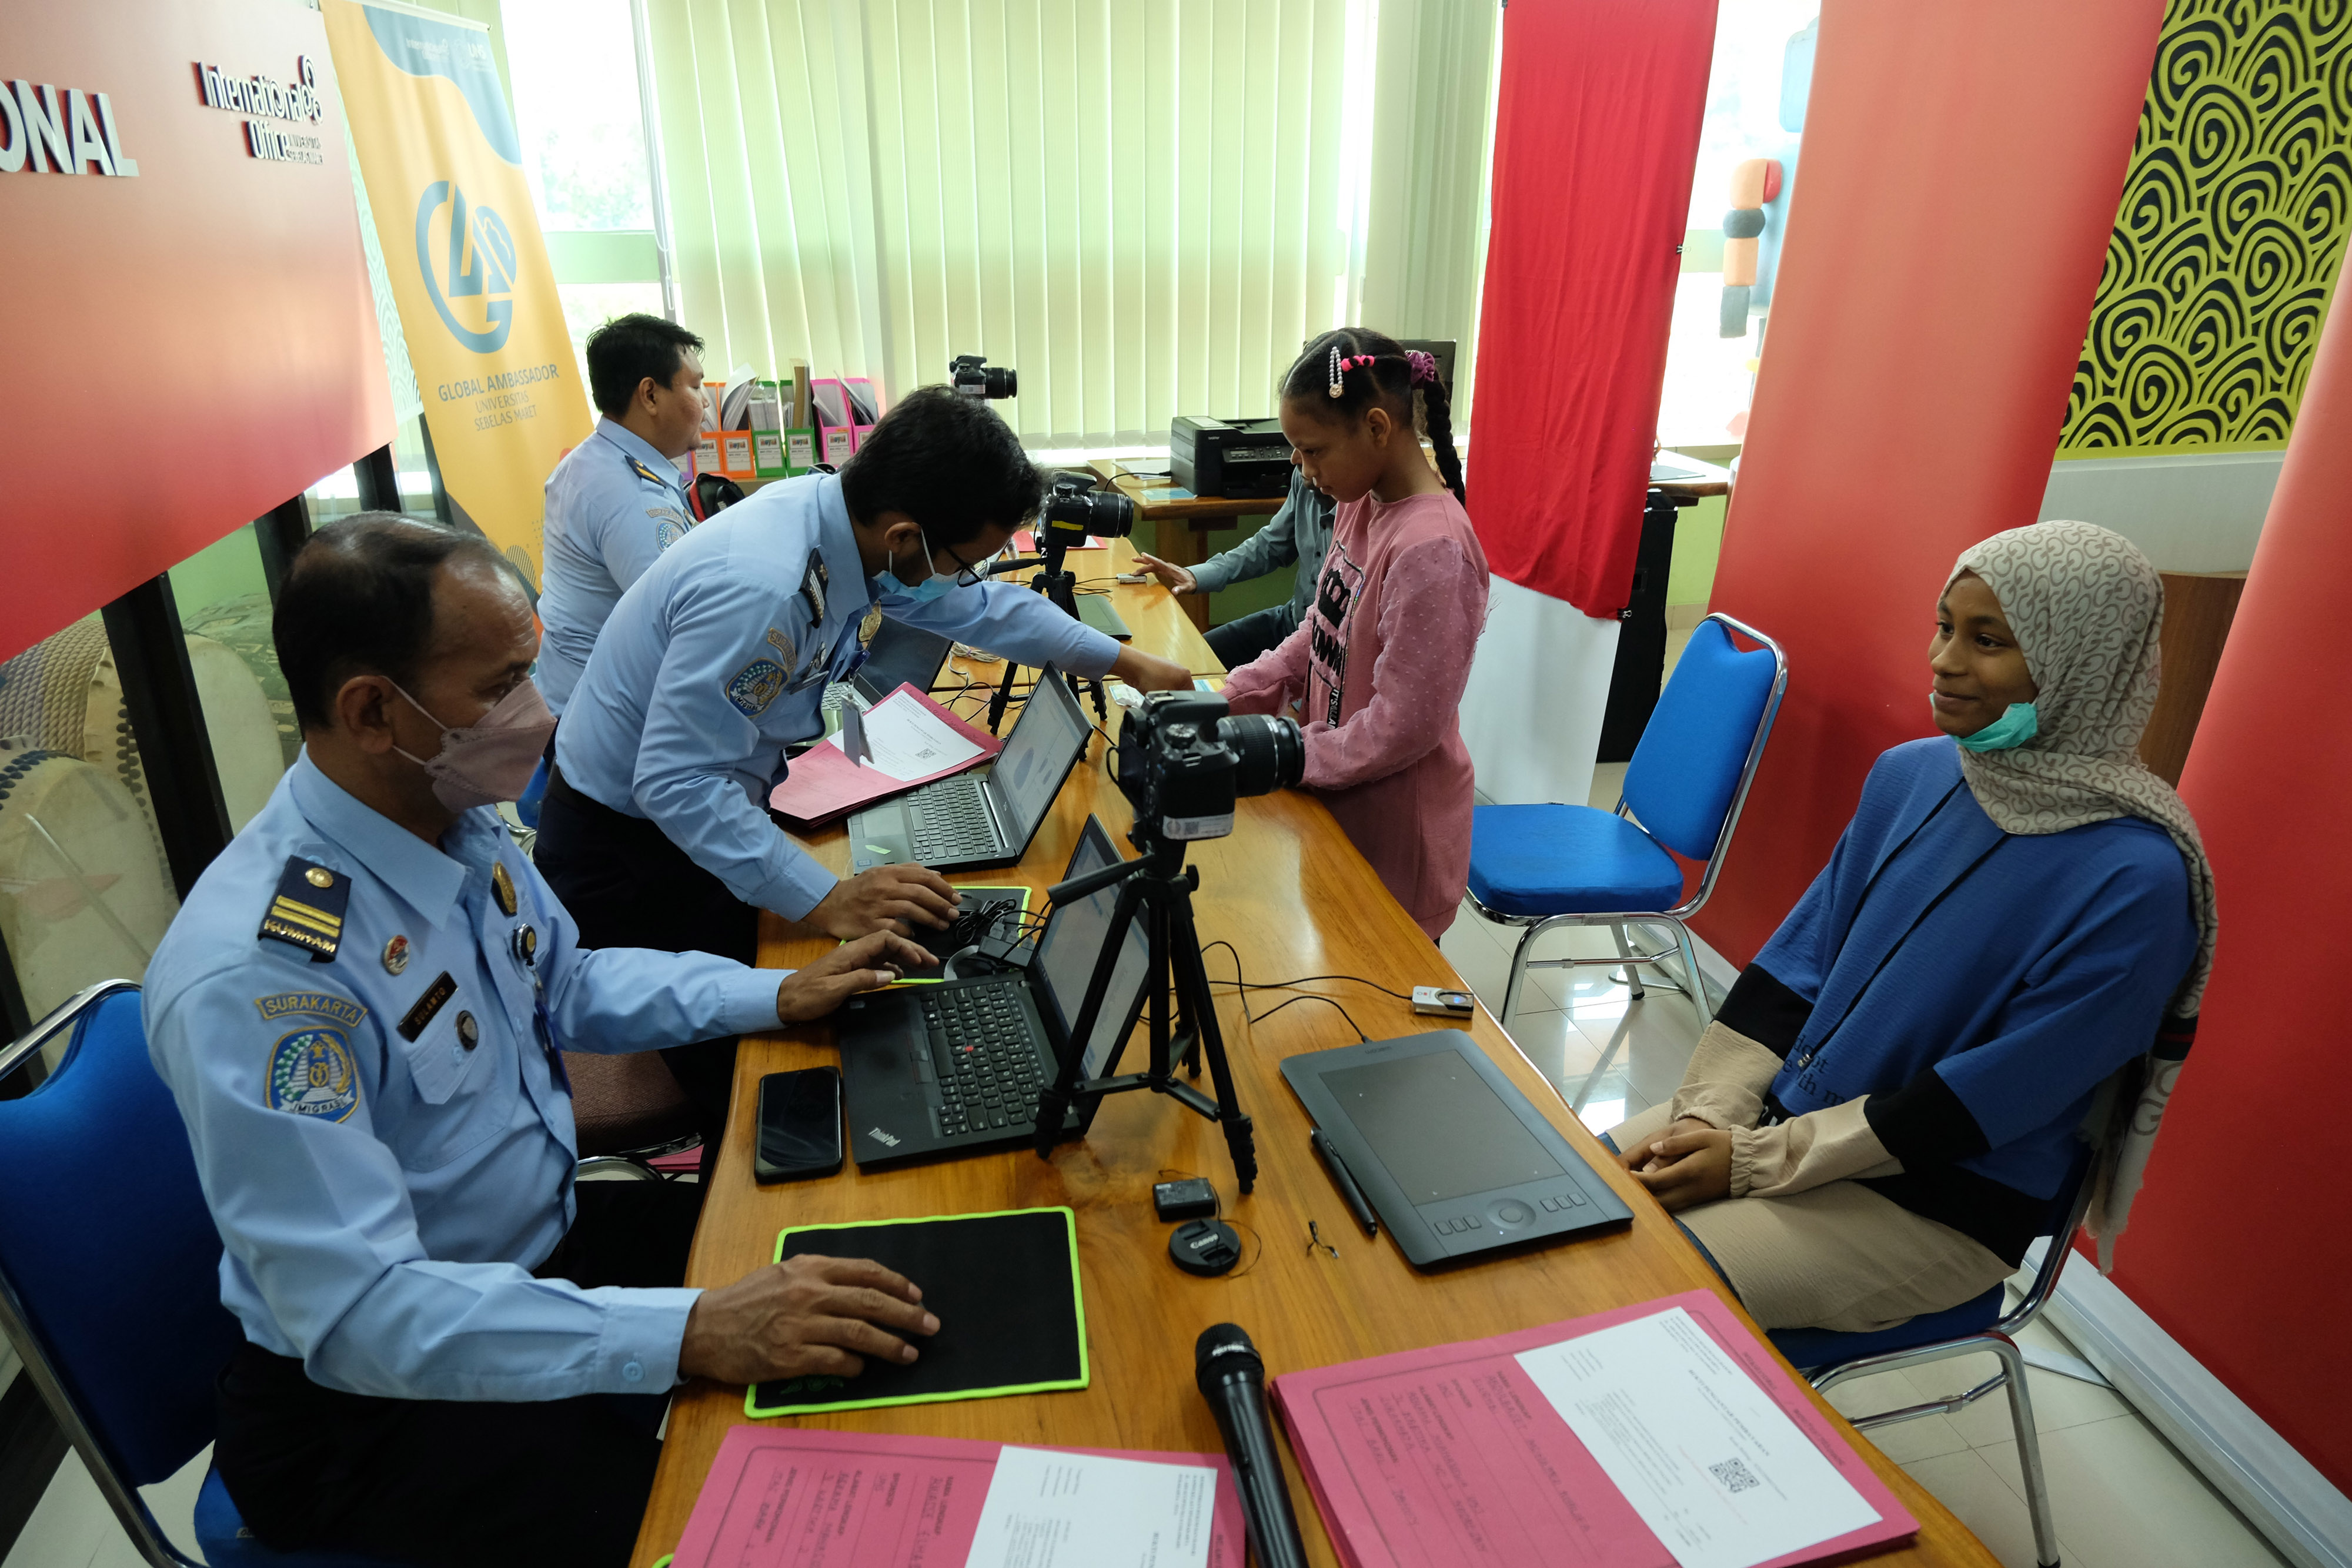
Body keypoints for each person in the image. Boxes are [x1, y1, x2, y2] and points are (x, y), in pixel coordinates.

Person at [143, 517, 944, 1568]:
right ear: (374, 710)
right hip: (374, 1406)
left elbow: (568, 981)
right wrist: (692, 1330)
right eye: (502, 685)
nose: (541, 711)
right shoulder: (266, 972)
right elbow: (361, 1312)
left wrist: (777, 992)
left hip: (541, 1251)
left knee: (862, 1274)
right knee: (765, 1525)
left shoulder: (450, 814)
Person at [536, 386, 1191, 1166]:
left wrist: (1127, 662)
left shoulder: (846, 526)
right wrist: (826, 897)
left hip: (693, 817)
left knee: (816, 1002)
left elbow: (985, 611)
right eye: (963, 561)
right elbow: (678, 784)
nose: (968, 578)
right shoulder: (765, 584)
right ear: (906, 536)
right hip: (630, 854)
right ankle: (720, 1210)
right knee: (760, 1090)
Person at [1610, 520, 2215, 1333]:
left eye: (1988, 640)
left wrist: (1752, 1162)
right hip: (1780, 1124)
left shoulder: (2138, 883)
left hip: (1932, 1200)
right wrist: (1710, 1115)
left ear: (2083, 661)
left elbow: (1979, 1102)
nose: (1944, 660)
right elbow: (1796, 970)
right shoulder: (1911, 775)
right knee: (1572, 1194)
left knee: (1631, 1282)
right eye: (1944, 626)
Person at [1220, 328, 1486, 941]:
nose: (1300, 467)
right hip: (1338, 808)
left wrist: (1291, 754)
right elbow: (1320, 629)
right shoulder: (1357, 500)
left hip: (1395, 846)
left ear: (1376, 428)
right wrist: (1225, 700)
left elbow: (1401, 728)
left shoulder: (1434, 551)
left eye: (1312, 450)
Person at [536, 313, 708, 715]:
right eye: (695, 385)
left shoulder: (597, 460)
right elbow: (687, 619)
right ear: (650, 395)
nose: (704, 401)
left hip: (579, 701)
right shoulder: (630, 495)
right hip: (604, 721)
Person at [1131, 467, 1335, 668]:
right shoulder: (1304, 476)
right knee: (1188, 658)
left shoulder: (1354, 512)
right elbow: (1270, 545)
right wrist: (1196, 575)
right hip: (1291, 621)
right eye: (1296, 451)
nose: (1295, 460)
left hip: (1330, 649)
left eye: (1310, 451)